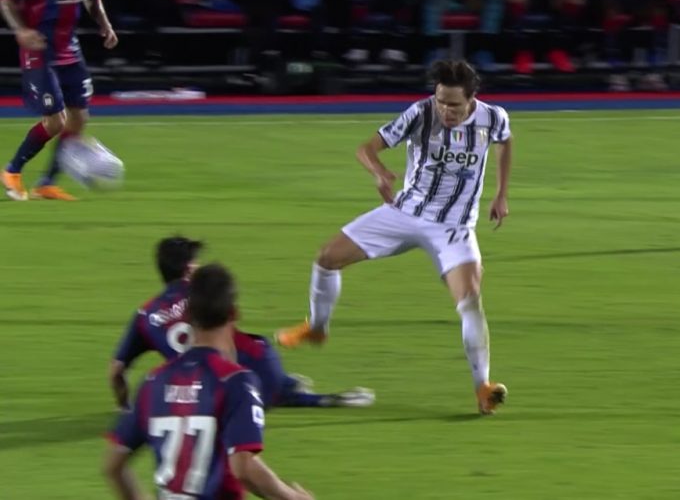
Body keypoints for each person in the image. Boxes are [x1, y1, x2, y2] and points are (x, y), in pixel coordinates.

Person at [276, 59, 511, 415]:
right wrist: (379, 172)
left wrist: (501, 194)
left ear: (472, 99)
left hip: (454, 226)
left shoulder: (493, 118)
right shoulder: (420, 113)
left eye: (454, 105)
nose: (445, 110)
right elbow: (366, 148)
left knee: (470, 300)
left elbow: (505, 143)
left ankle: (483, 388)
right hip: (404, 213)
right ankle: (317, 328)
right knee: (327, 258)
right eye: (441, 101)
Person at [104, 263, 315, 500]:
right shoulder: (236, 381)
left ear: (188, 315)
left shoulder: (154, 381)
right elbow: (244, 468)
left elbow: (113, 466)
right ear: (233, 313)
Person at [110, 236, 375, 410]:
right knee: (258, 350)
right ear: (189, 269)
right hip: (244, 374)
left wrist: (124, 407)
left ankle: (285, 387)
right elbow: (226, 344)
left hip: (194, 389)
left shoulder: (144, 314)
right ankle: (306, 396)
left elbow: (116, 371)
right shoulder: (204, 292)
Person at [0, 0, 118, 201]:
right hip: (40, 51)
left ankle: (47, 183)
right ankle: (12, 171)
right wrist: (21, 30)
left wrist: (105, 25)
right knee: (56, 121)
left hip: (70, 52)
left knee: (79, 119)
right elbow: (6, 1)